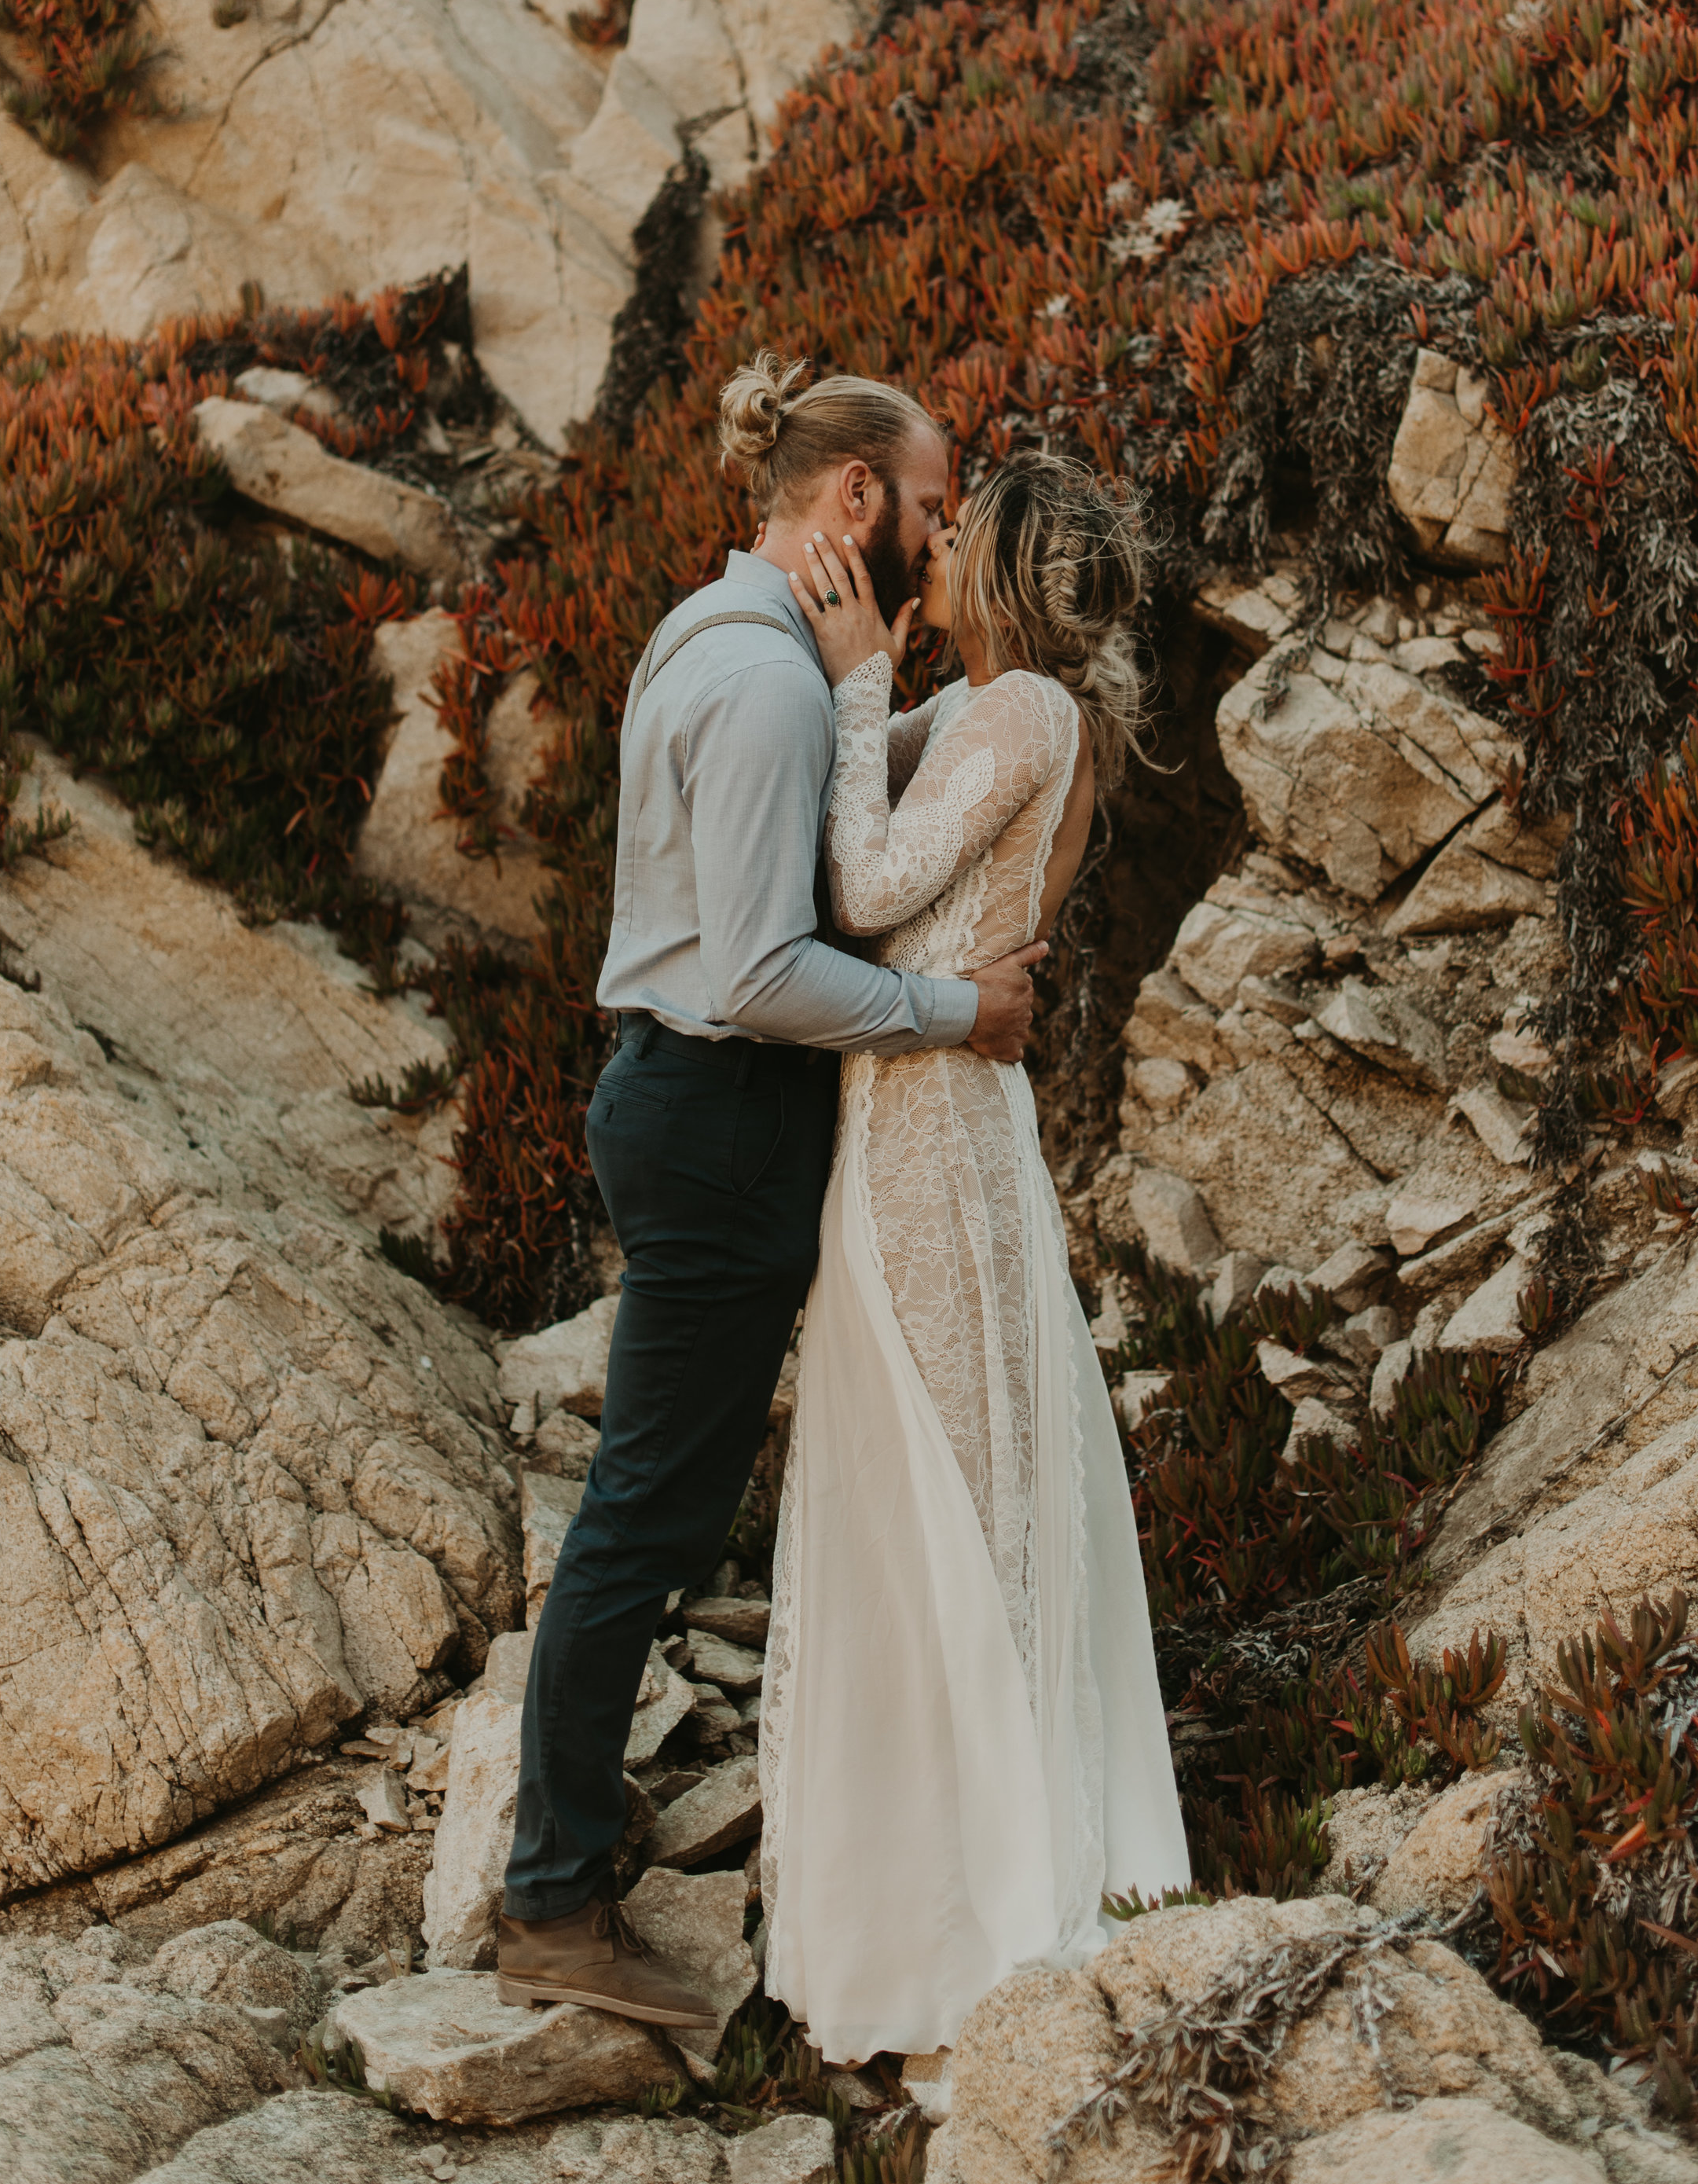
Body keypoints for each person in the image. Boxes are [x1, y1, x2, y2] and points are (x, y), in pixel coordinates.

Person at [497, 357, 1048, 2028]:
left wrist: (883, 704)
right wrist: (961, 1012)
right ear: (855, 503)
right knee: (645, 1519)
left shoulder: (722, 637)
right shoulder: (766, 689)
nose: (942, 534)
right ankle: (551, 1898)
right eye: (933, 505)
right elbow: (751, 968)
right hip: (721, 1111)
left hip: (697, 1112)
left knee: (656, 1504)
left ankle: (579, 1851)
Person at [758, 450, 1188, 2069]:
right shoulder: (1011, 715)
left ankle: (982, 1899)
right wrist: (853, 689)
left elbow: (865, 885)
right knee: (940, 1476)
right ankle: (944, 1876)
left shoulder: (1019, 714)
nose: (921, 551)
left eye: (949, 537)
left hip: (933, 1134)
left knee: (944, 1483)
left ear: (1001, 566)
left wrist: (863, 679)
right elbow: (859, 819)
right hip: (926, 1124)